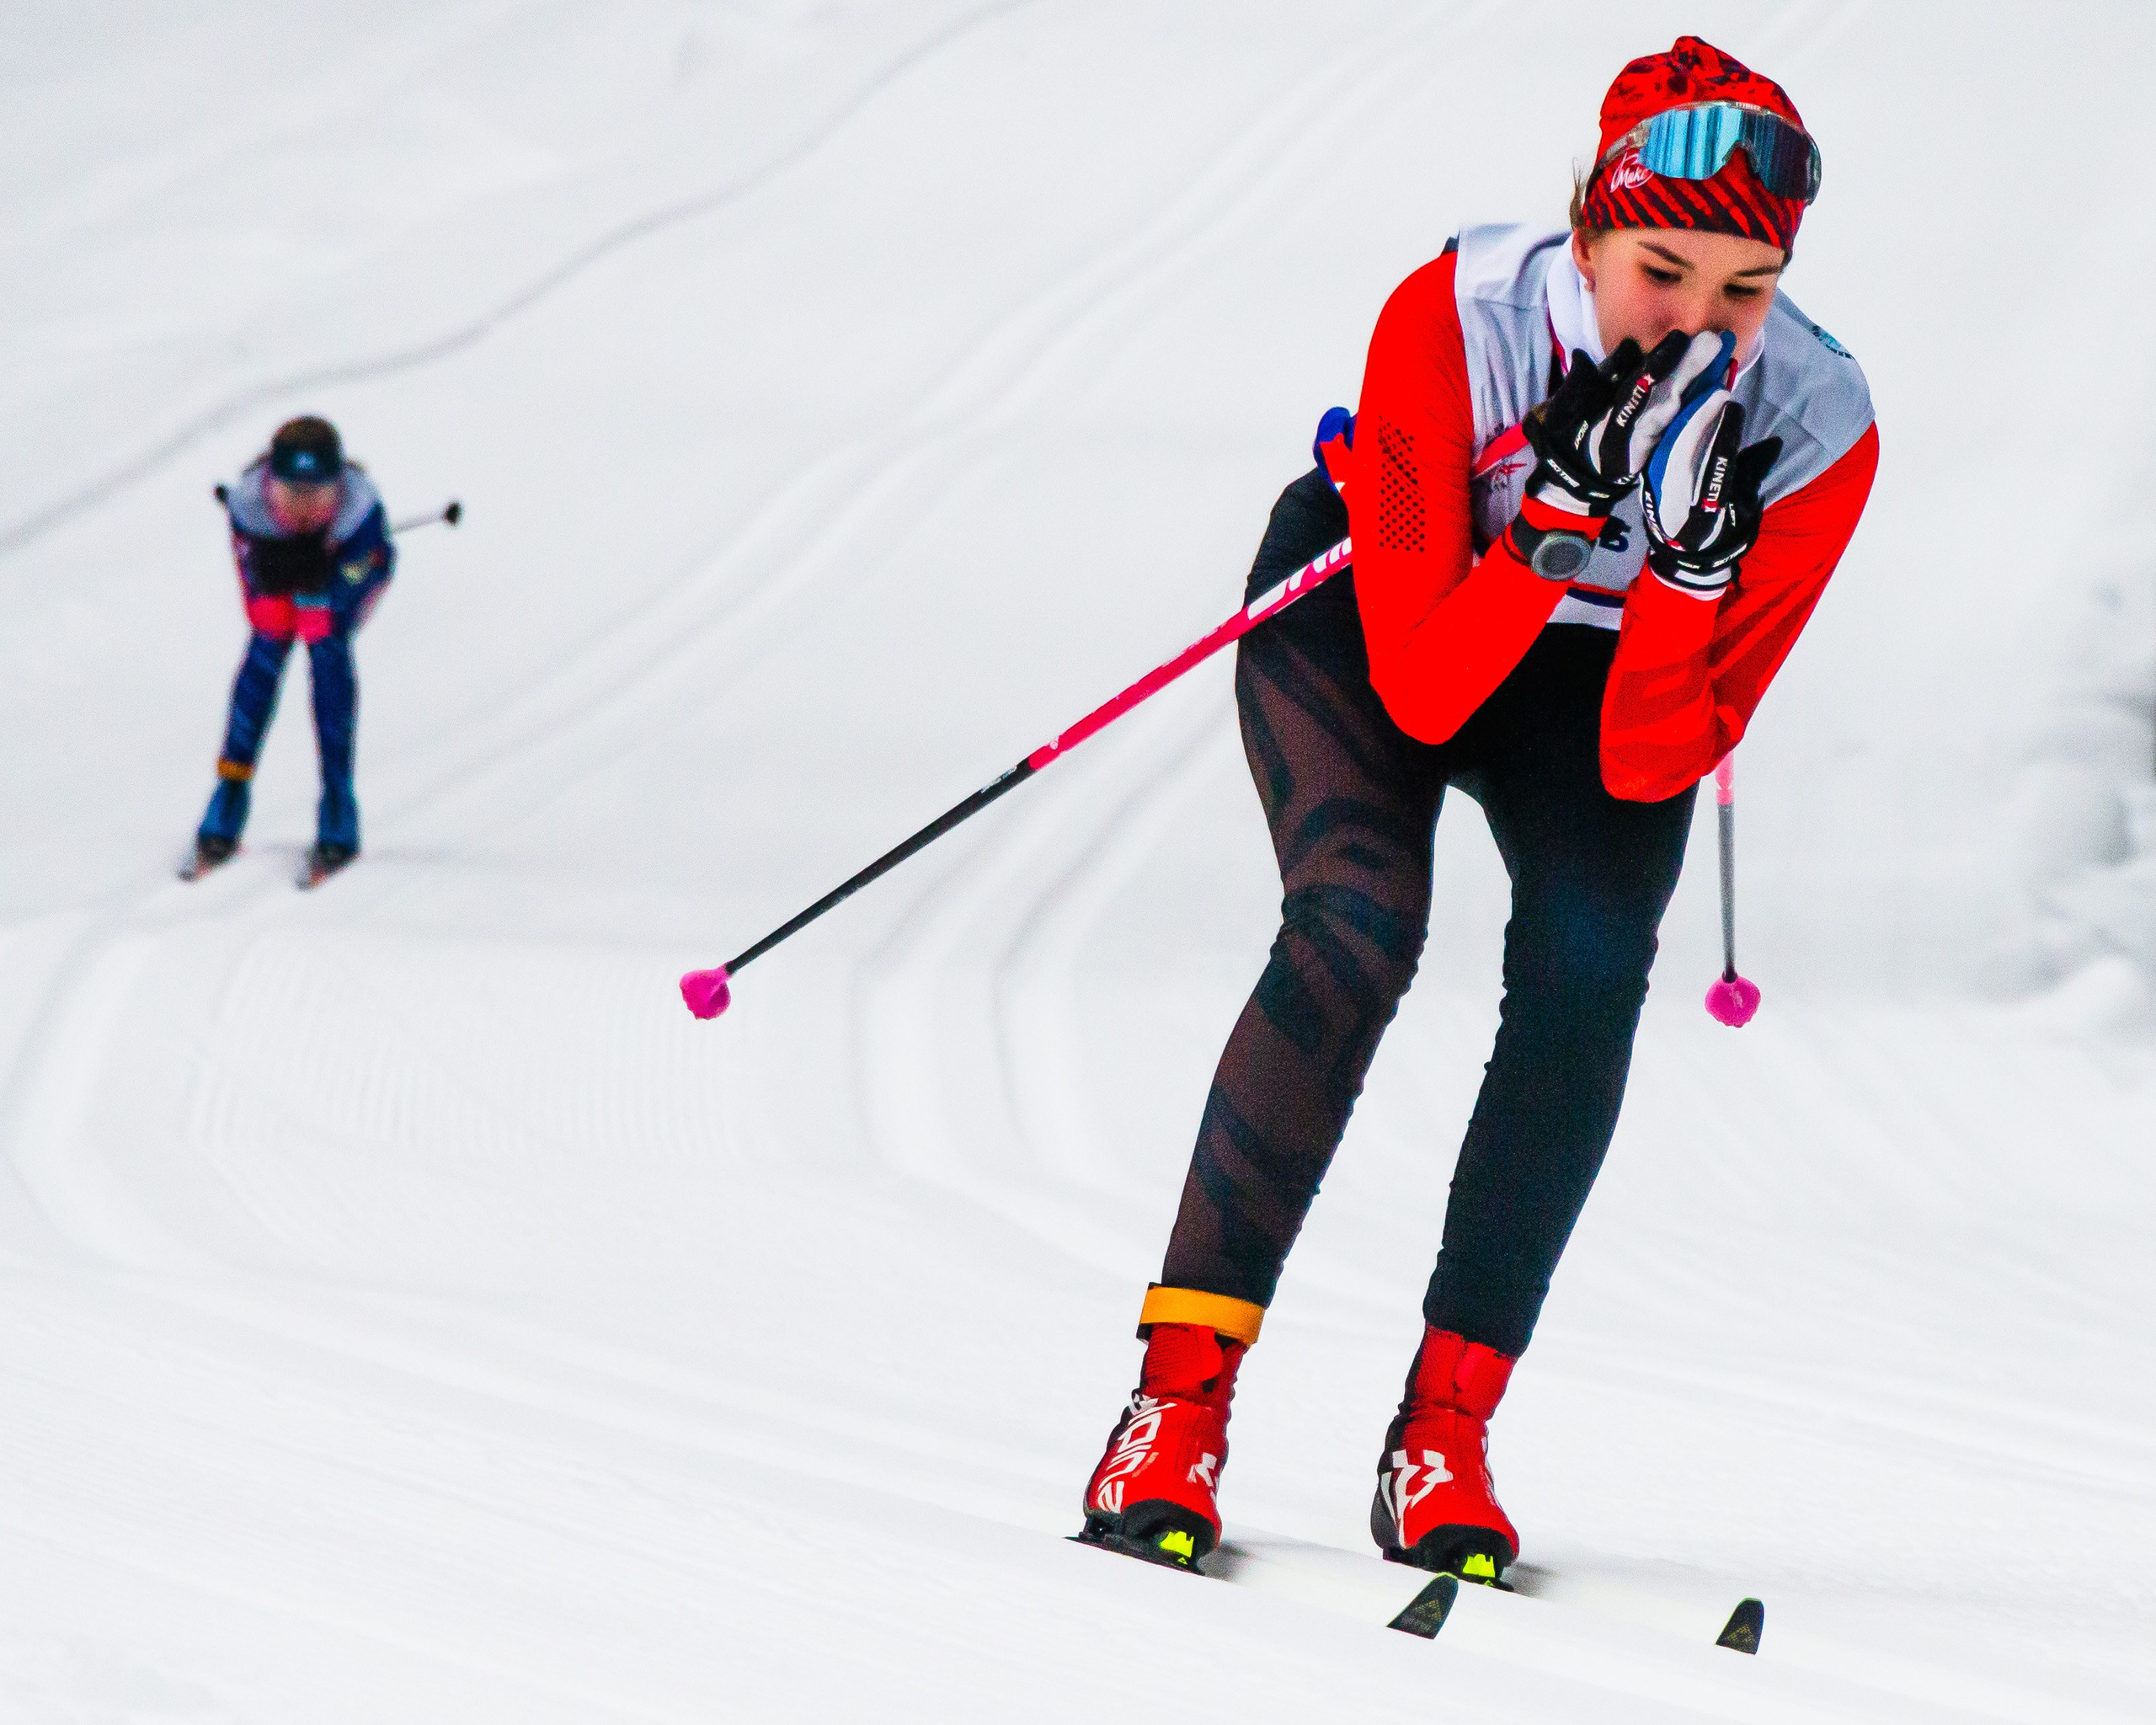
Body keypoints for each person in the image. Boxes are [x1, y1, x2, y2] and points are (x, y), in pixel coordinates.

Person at [1079, 37, 1878, 1582]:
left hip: (1604, 690)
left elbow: (1659, 762)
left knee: (1587, 973)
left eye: (1747, 289)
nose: (1701, 323)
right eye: (1662, 270)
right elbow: (1428, 689)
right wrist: (1560, 524)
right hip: (1396, 612)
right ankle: (1175, 1402)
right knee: (1359, 923)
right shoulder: (1452, 318)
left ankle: (1445, 1428)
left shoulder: (1821, 429)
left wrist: (1688, 575)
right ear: (1586, 234)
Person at [186, 416, 394, 883]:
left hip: (336, 588)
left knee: (325, 646)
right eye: (290, 496)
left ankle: (338, 803)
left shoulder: (359, 512)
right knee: (267, 646)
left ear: (338, 490)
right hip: (281, 594)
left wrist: (336, 583)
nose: (303, 510)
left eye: (317, 497)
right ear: (269, 486)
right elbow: (252, 585)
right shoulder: (249, 507)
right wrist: (274, 580)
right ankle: (230, 790)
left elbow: (377, 566)